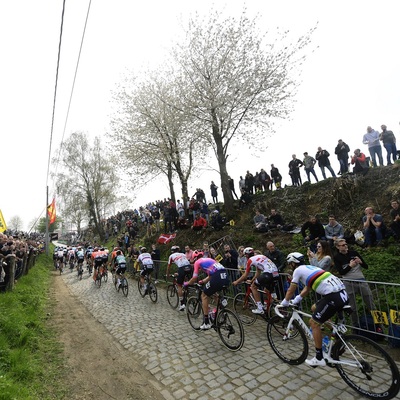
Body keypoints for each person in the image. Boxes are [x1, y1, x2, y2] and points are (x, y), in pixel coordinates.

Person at [281, 252, 349, 367]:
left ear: (293, 263)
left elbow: (291, 289)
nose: (290, 265)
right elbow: (308, 287)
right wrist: (297, 299)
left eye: (290, 263)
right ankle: (336, 331)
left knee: (313, 323)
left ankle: (319, 357)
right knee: (314, 308)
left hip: (333, 296)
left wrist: (285, 302)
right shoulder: (311, 268)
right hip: (342, 294)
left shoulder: (297, 270)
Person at [333, 239, 376, 328]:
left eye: (345, 244)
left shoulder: (354, 253)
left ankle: (379, 325)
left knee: (371, 304)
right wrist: (350, 266)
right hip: (348, 283)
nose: (345, 246)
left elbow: (366, 266)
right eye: (342, 245)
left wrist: (360, 262)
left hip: (361, 281)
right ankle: (355, 327)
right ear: (338, 247)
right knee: (352, 307)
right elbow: (341, 272)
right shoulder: (337, 257)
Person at [184, 250, 230, 330]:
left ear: (194, 258)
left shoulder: (197, 262)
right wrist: (202, 281)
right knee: (214, 292)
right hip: (225, 275)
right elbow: (210, 276)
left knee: (204, 295)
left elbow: (194, 278)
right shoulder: (210, 260)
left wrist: (187, 283)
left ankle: (206, 322)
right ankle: (221, 311)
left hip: (217, 276)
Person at [237, 247, 279, 315]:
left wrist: (237, 282)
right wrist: (252, 280)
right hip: (276, 274)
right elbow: (258, 273)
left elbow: (245, 275)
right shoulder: (260, 257)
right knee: (266, 291)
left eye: (245, 256)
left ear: (247, 255)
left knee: (253, 287)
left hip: (268, 274)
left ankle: (260, 308)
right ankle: (273, 308)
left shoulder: (250, 260)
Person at [166, 246, 193, 311]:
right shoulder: (183, 254)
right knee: (186, 281)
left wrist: (167, 274)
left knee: (179, 285)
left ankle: (182, 304)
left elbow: (168, 267)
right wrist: (178, 273)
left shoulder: (171, 256)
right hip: (189, 267)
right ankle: (187, 291)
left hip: (182, 268)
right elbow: (184, 262)